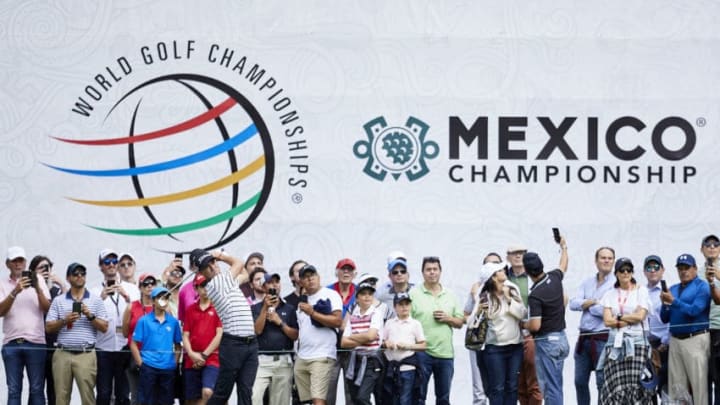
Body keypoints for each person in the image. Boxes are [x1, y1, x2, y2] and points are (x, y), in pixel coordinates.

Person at [193, 249, 257, 405]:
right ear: (202, 272)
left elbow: (246, 275)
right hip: (233, 345)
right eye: (207, 266)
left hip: (251, 344)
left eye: (213, 262)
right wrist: (221, 256)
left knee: (246, 391)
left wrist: (217, 258)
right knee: (222, 393)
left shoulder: (228, 281)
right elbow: (239, 263)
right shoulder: (216, 283)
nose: (213, 267)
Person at [45, 262, 109, 405]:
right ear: (68, 278)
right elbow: (48, 327)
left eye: (82, 273)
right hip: (63, 353)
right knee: (61, 398)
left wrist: (89, 315)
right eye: (75, 274)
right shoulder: (59, 300)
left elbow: (104, 327)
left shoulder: (95, 300)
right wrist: (64, 320)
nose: (80, 276)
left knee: (88, 398)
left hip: (85, 354)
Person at [596, 257, 653, 404]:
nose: (625, 273)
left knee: (637, 386)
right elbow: (607, 321)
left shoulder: (641, 291)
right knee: (615, 385)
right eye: (622, 270)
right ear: (616, 273)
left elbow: (640, 316)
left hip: (637, 343)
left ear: (632, 272)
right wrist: (629, 317)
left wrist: (619, 317)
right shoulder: (610, 294)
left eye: (629, 270)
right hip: (615, 344)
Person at [409, 256, 465, 405]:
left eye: (435, 269)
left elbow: (460, 322)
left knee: (443, 398)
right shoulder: (414, 294)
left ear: (440, 272)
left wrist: (448, 319)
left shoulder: (450, 295)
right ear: (422, 272)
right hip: (422, 353)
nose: (432, 272)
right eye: (428, 269)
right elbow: (407, 323)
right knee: (419, 397)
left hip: (445, 353)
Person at [521, 236, 569, 405]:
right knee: (557, 384)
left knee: (550, 387)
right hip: (562, 339)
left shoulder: (535, 294)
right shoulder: (554, 277)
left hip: (547, 343)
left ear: (526, 271)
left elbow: (535, 325)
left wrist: (522, 324)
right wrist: (563, 247)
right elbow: (563, 265)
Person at [0, 246, 51, 405]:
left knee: (37, 389)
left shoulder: (39, 280)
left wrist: (37, 288)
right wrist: (15, 291)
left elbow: (47, 309)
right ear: (8, 264)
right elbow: (0, 311)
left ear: (25, 262)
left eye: (21, 260)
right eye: (14, 261)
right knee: (14, 390)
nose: (18, 264)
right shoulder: (2, 284)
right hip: (11, 343)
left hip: (36, 343)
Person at [660, 253, 711, 405]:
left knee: (699, 386)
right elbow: (664, 318)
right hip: (675, 340)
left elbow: (695, 310)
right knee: (676, 387)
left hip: (695, 338)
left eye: (687, 268)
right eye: (680, 268)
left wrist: (673, 301)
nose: (683, 271)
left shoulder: (702, 286)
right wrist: (665, 303)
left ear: (695, 268)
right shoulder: (673, 288)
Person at [568, 246, 616, 405]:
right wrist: (593, 302)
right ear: (596, 261)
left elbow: (607, 310)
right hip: (584, 338)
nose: (606, 261)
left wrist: (588, 304)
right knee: (579, 381)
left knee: (602, 382)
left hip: (603, 338)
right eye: (603, 258)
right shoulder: (587, 282)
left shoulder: (616, 284)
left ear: (613, 261)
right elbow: (573, 303)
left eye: (609, 258)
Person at [474, 261, 525, 405]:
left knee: (512, 387)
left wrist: (509, 299)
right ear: (493, 277)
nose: (504, 271)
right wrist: (479, 311)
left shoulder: (512, 288)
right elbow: (474, 321)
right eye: (500, 270)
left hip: (515, 346)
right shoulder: (484, 296)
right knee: (496, 388)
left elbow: (522, 314)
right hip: (494, 349)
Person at [93, 248, 140, 405]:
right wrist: (101, 298)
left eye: (114, 261)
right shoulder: (94, 291)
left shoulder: (132, 289)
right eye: (107, 262)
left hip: (124, 347)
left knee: (123, 394)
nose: (111, 264)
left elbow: (140, 314)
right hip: (103, 347)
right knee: (104, 393)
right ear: (101, 266)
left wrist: (126, 297)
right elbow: (86, 318)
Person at [294, 264, 343, 405]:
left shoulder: (330, 294)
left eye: (312, 275)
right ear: (301, 282)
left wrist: (313, 313)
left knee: (318, 400)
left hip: (322, 355)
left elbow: (337, 321)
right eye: (305, 277)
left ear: (318, 277)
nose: (310, 279)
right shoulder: (302, 302)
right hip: (302, 356)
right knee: (306, 401)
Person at [251, 272, 299, 405]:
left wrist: (280, 322)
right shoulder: (255, 308)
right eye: (270, 282)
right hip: (261, 361)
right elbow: (257, 330)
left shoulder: (289, 309)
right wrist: (265, 308)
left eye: (277, 282)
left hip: (283, 361)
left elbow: (295, 335)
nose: (274, 285)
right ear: (264, 286)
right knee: (254, 397)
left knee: (280, 402)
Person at [130, 286, 182, 405]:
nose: (163, 300)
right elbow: (134, 344)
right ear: (153, 301)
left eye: (166, 297)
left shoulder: (173, 322)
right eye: (160, 297)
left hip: (167, 368)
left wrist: (174, 363)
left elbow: (178, 345)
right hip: (148, 367)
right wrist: (141, 364)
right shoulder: (144, 320)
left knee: (167, 401)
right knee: (146, 401)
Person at [505, 244, 542, 405]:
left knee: (533, 379)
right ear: (508, 257)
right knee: (517, 381)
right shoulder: (503, 276)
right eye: (514, 253)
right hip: (510, 331)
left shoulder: (534, 276)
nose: (518, 256)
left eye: (521, 253)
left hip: (531, 332)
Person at [464, 252, 502, 405]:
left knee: (499, 387)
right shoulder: (476, 288)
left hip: (500, 344)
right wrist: (476, 319)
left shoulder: (507, 288)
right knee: (479, 390)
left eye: (496, 264)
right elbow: (465, 314)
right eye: (488, 264)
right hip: (478, 343)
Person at [341, 281, 384, 405]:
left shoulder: (376, 313)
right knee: (355, 398)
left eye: (370, 294)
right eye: (363, 294)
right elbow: (343, 342)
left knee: (362, 397)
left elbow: (371, 336)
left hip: (372, 360)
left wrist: (353, 336)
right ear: (357, 297)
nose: (367, 297)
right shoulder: (353, 315)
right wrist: (364, 338)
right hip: (354, 361)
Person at [183, 274, 223, 405]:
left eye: (208, 286)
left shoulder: (218, 307)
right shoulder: (190, 309)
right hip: (192, 359)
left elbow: (219, 334)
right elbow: (185, 335)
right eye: (202, 286)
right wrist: (192, 354)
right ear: (196, 288)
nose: (206, 289)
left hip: (212, 358)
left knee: (207, 392)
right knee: (191, 399)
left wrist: (204, 356)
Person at [382, 292, 426, 405]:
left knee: (405, 399)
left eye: (407, 304)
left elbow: (423, 345)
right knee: (392, 399)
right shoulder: (389, 323)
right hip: (391, 368)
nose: (404, 307)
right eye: (400, 304)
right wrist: (386, 343)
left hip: (408, 367)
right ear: (395, 307)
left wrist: (408, 346)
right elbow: (382, 342)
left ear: (410, 306)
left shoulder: (415, 324)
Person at [32, 255, 65, 405]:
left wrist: (62, 286)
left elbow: (67, 311)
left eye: (48, 267)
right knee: (36, 389)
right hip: (36, 344)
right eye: (41, 268)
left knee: (54, 389)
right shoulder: (30, 290)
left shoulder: (57, 291)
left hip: (54, 346)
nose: (45, 271)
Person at [122, 273, 157, 405]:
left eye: (152, 283)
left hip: (154, 355)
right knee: (136, 396)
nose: (149, 286)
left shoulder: (159, 307)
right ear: (140, 287)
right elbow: (125, 332)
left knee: (153, 395)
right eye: (145, 284)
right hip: (134, 355)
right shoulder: (132, 306)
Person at [327, 258, 358, 405]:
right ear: (336, 272)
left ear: (354, 273)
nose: (346, 272)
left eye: (349, 269)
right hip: (331, 347)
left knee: (351, 392)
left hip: (352, 347)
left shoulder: (360, 292)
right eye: (343, 269)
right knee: (328, 391)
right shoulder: (327, 291)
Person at [643, 255, 670, 403]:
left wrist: (665, 343)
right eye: (649, 268)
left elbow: (673, 319)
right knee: (648, 387)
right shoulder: (640, 292)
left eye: (656, 267)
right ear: (644, 271)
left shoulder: (669, 291)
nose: (653, 271)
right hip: (647, 346)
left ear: (662, 270)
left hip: (666, 346)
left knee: (666, 387)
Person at [703, 234, 720, 405]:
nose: (712, 247)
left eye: (716, 244)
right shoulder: (696, 271)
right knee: (704, 379)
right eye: (708, 244)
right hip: (702, 330)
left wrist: (717, 275)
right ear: (702, 250)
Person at [376, 255, 414, 321]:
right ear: (389, 276)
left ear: (408, 275)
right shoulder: (382, 296)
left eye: (403, 271)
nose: (399, 274)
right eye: (395, 272)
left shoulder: (416, 292)